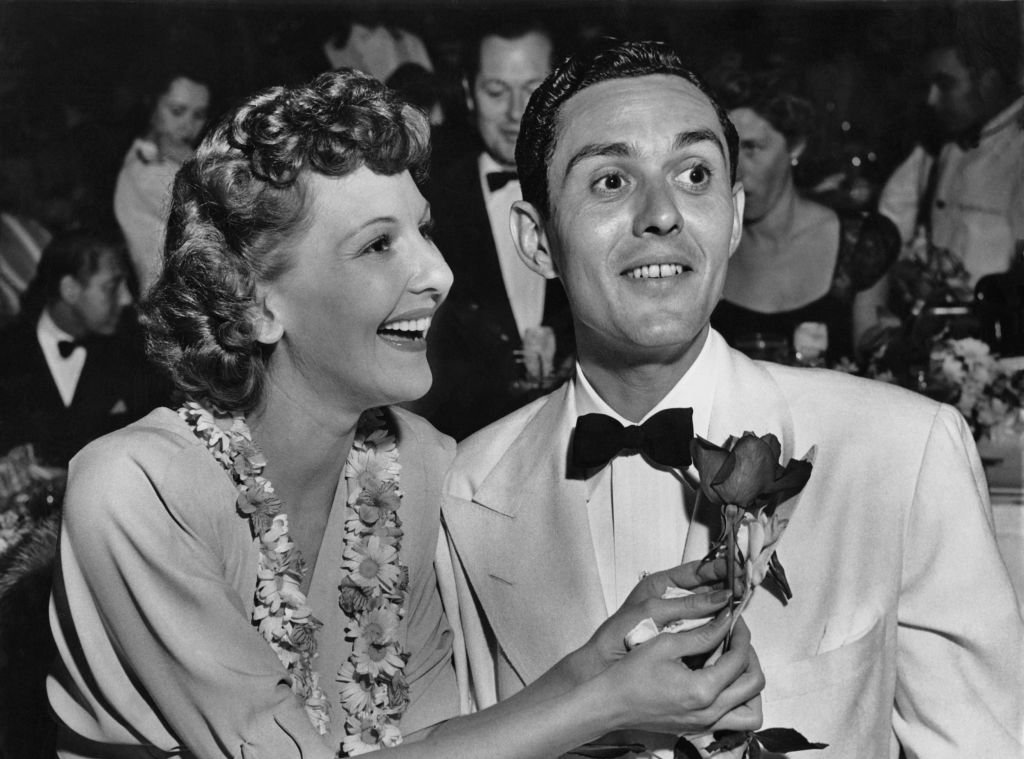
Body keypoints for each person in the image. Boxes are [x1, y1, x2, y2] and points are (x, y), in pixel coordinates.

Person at [47, 68, 764, 759]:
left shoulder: (416, 464)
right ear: (254, 300)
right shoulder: (132, 490)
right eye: (379, 244)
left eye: (423, 231)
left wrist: (598, 663)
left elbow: (435, 744)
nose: (439, 274)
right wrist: (606, 701)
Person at [442, 39, 1024, 758]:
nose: (662, 214)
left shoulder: (901, 453)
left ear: (735, 212)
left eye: (694, 174)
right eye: (609, 182)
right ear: (538, 241)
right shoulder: (467, 490)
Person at [414, 18, 574, 440]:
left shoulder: (597, 190)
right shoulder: (425, 199)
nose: (516, 111)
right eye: (496, 91)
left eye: (534, 89)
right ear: (468, 93)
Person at [708, 67, 900, 365]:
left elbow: (873, 358)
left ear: (795, 147)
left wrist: (894, 345)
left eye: (752, 148)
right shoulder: (704, 246)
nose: (737, 169)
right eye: (726, 151)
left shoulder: (860, 243)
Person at [878, 2, 1023, 286]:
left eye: (944, 85)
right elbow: (888, 229)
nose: (932, 100)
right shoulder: (939, 146)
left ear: (990, 82)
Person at [0, 230, 151, 467]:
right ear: (70, 289)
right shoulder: (8, 355)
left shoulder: (135, 347)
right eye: (112, 287)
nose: (126, 299)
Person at [113, 67, 211, 294]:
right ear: (152, 105)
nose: (188, 125)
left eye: (198, 115)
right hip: (174, 307)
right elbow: (227, 218)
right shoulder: (145, 169)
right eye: (177, 111)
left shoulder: (173, 161)